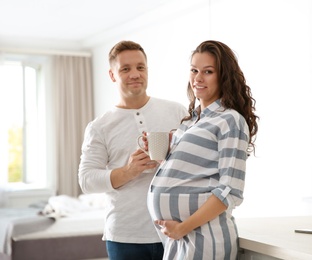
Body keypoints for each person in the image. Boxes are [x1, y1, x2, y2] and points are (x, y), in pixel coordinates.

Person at [147, 40, 259, 259]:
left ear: (223, 76)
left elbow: (230, 191)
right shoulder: (190, 122)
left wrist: (183, 227)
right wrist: (163, 155)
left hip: (204, 238)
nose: (198, 78)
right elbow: (187, 176)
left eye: (208, 71)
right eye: (194, 70)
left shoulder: (230, 120)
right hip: (178, 239)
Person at [78, 40, 188, 260]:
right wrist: (129, 171)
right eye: (125, 69)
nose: (135, 74)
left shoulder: (177, 111)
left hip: (177, 230)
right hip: (125, 237)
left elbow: (197, 162)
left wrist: (171, 157)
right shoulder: (100, 126)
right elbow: (87, 180)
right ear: (112, 75)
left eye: (140, 67)